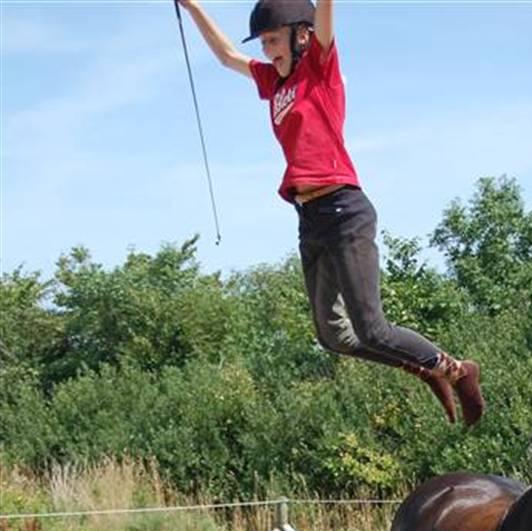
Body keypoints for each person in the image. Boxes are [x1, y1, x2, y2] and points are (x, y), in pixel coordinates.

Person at [178, 0, 485, 425]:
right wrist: (192, 6)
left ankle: (456, 371)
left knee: (371, 328)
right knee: (333, 336)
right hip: (310, 220)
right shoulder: (274, 82)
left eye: (273, 40)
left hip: (344, 211)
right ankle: (424, 367)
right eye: (264, 43)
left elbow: (326, 10)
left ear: (301, 35)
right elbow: (228, 56)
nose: (268, 51)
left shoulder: (318, 68)